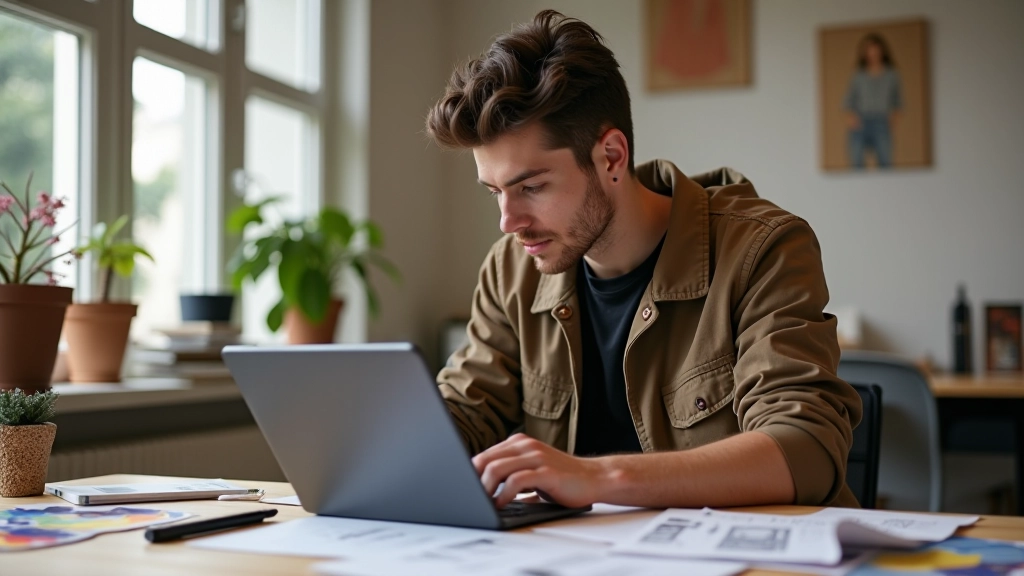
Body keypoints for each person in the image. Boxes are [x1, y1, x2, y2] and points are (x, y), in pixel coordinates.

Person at [426, 10, 862, 510]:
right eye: (495, 192)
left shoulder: (763, 248)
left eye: (532, 187)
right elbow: (465, 411)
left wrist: (597, 476)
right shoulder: (511, 269)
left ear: (610, 156)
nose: (509, 221)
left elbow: (805, 448)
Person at [844, 33, 902, 169]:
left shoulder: (892, 75)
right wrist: (852, 118)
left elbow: (897, 100)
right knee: (857, 164)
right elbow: (848, 100)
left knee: (885, 163)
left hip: (882, 120)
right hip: (861, 121)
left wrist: (894, 118)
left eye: (876, 49)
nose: (873, 53)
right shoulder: (858, 75)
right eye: (870, 50)